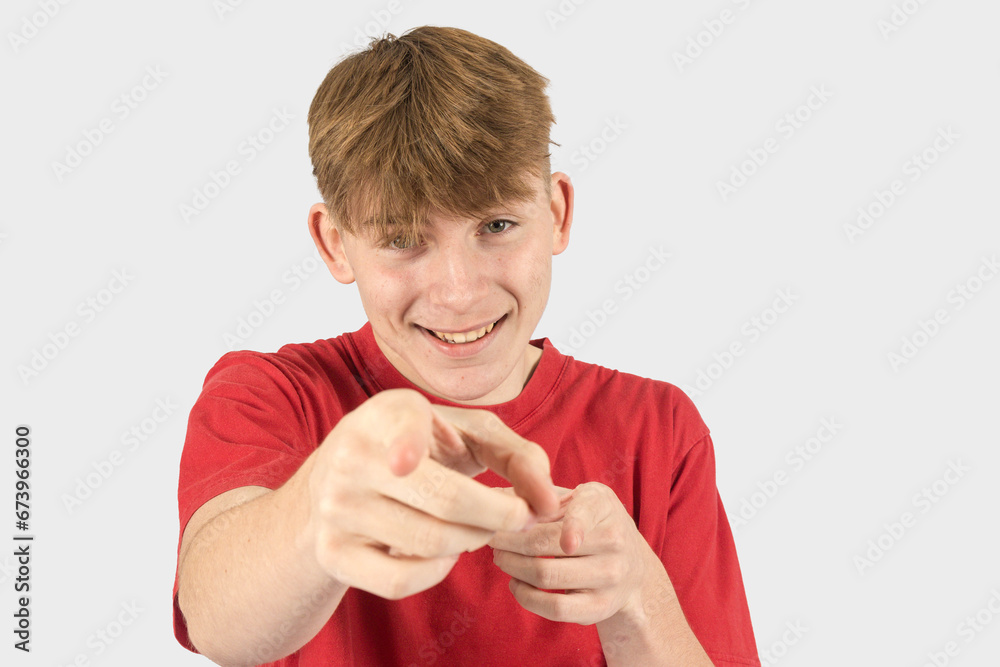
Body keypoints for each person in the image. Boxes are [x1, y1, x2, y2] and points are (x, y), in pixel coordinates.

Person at [172, 25, 760, 667]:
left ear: (557, 214)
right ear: (334, 244)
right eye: (402, 239)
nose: (458, 293)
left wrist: (638, 595)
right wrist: (317, 514)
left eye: (497, 225)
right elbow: (217, 621)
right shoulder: (268, 396)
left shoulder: (659, 427)